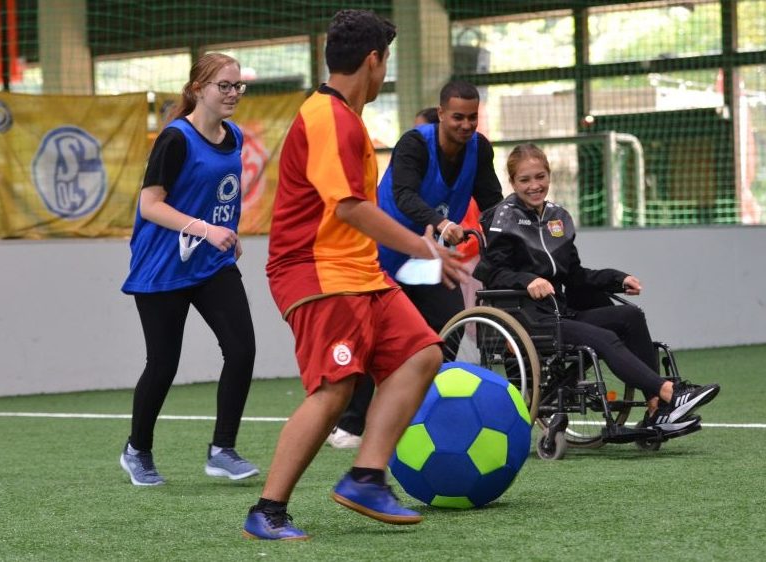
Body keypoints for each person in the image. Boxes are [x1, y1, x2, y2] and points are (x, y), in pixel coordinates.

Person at [243, 10, 465, 541]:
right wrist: (423, 247)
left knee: (424, 352)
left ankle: (366, 476)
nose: (384, 72)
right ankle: (267, 510)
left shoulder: (345, 117)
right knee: (336, 388)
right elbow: (347, 207)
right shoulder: (327, 118)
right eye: (385, 61)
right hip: (315, 272)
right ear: (373, 61)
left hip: (358, 272)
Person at [476, 143, 720, 433]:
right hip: (529, 319)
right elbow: (492, 272)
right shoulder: (504, 218)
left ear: (549, 176)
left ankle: (656, 407)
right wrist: (527, 280)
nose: (534, 186)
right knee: (603, 337)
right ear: (513, 182)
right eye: (525, 180)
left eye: (540, 176)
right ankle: (668, 392)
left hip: (559, 313)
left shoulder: (557, 217)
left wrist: (616, 279)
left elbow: (575, 275)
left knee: (630, 317)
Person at [326, 81, 503, 449]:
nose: (466, 125)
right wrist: (442, 224)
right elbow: (404, 195)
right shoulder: (414, 144)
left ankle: (433, 412)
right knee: (371, 338)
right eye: (458, 117)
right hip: (383, 254)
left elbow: (491, 201)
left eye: (472, 118)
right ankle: (349, 424)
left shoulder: (478, 148)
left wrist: (507, 231)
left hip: (428, 259)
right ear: (441, 115)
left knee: (448, 330)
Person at [120, 53, 258, 486]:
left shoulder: (234, 136)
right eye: (225, 86)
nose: (233, 93)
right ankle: (137, 450)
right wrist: (206, 229)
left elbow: (222, 195)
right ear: (198, 88)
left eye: (238, 86)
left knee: (242, 350)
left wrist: (227, 236)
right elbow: (150, 204)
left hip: (211, 263)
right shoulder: (175, 139)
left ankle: (222, 450)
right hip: (161, 266)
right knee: (163, 364)